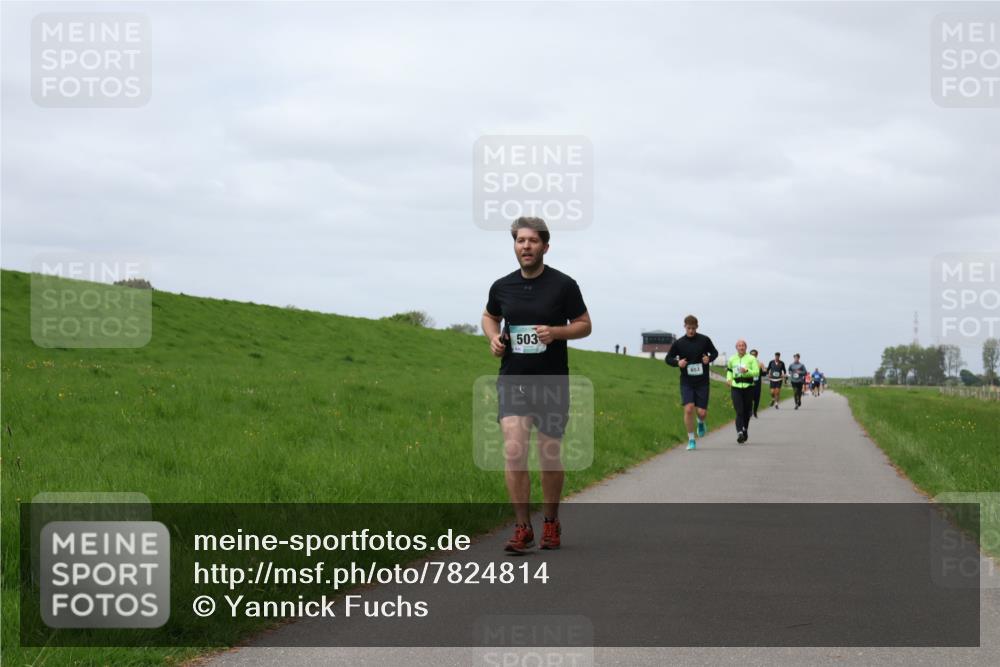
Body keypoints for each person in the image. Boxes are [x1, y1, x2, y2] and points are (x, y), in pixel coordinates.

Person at [482, 217, 592, 554]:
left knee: (548, 455)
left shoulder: (563, 285)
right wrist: (493, 339)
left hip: (551, 381)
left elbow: (584, 325)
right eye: (520, 241)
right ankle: (521, 528)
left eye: (532, 241)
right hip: (513, 378)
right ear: (514, 246)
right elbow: (490, 316)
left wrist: (556, 332)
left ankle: (550, 521)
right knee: (514, 451)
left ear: (545, 246)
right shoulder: (502, 286)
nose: (525, 246)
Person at [664, 315, 719, 450]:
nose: (691, 331)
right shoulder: (679, 343)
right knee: (688, 409)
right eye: (689, 328)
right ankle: (691, 440)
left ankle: (700, 422)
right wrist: (678, 362)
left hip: (702, 382)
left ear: (697, 327)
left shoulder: (704, 340)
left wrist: (709, 358)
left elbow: (715, 352)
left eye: (693, 328)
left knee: (701, 412)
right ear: (685, 327)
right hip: (687, 382)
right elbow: (668, 358)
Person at [726, 340, 760, 444]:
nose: (741, 348)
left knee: (747, 412)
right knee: (739, 411)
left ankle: (745, 428)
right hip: (736, 387)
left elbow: (756, 372)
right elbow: (729, 370)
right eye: (739, 346)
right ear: (736, 347)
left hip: (748, 387)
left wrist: (747, 371)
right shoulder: (732, 359)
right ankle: (740, 432)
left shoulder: (751, 358)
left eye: (743, 346)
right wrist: (729, 379)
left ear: (746, 347)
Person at [749, 348, 763, 418]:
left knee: (757, 399)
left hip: (757, 384)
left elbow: (763, 374)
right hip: (749, 383)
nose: (753, 356)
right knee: (750, 398)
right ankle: (750, 411)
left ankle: (755, 411)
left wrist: (763, 369)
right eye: (751, 355)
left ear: (756, 355)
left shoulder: (759, 363)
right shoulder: (747, 363)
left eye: (754, 355)